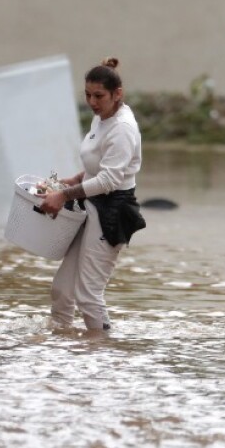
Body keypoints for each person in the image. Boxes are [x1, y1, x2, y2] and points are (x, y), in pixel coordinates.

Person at [38, 57, 146, 332]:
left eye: (99, 96)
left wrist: (63, 196)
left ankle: (103, 351)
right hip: (92, 204)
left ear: (117, 94)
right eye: (87, 95)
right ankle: (61, 345)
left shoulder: (122, 128)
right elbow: (99, 164)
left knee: (88, 295)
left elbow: (110, 179)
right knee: (62, 290)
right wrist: (75, 180)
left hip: (113, 211)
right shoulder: (103, 118)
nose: (92, 102)